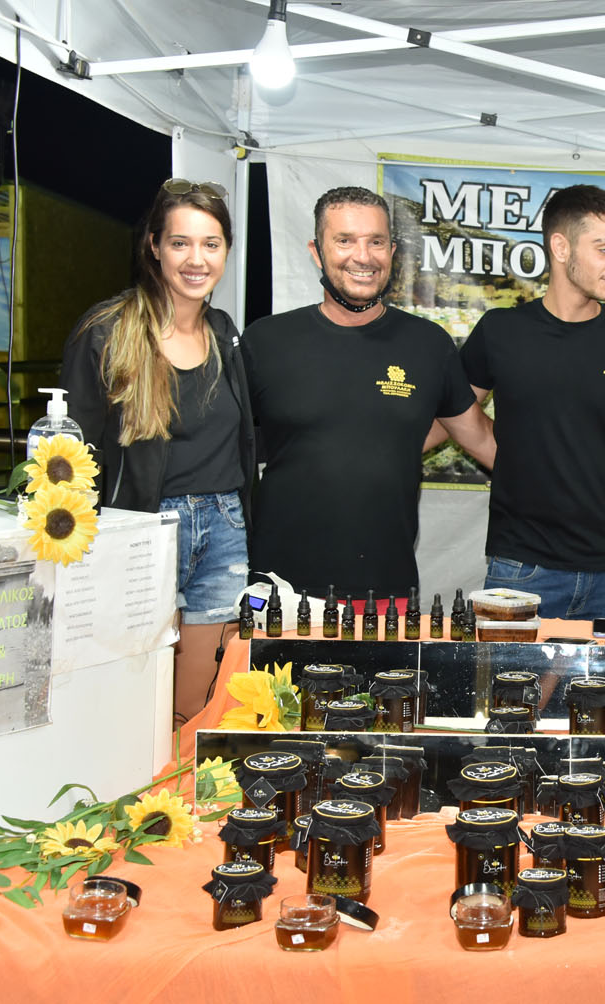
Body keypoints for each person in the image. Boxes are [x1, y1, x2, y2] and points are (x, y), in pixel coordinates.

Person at [243, 186, 494, 602]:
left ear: (392, 251)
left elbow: (482, 438)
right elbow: (222, 449)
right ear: (316, 251)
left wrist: (568, 492)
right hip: (278, 590)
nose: (363, 256)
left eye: (376, 242)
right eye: (344, 240)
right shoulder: (265, 341)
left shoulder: (427, 344)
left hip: (385, 590)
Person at [62, 178, 253, 723]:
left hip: (223, 527)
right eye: (180, 243)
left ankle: (185, 780)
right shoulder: (107, 331)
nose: (197, 259)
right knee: (136, 701)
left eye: (211, 244)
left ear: (226, 251)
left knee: (198, 706)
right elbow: (70, 456)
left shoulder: (224, 332)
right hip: (144, 530)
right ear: (154, 246)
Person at [459, 184, 605, 621]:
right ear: (561, 247)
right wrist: (507, 459)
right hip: (522, 566)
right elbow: (451, 414)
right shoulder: (501, 330)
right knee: (508, 672)